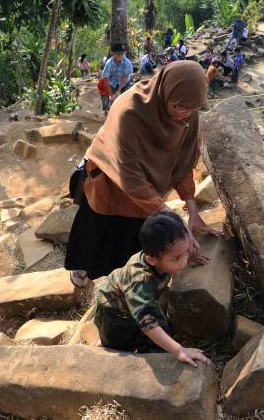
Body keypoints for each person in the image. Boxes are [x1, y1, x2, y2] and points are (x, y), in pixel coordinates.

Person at [66, 61, 222, 288]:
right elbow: (127, 172)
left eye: (192, 108)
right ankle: (84, 268)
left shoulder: (188, 113)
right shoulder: (129, 110)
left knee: (133, 238)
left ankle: (126, 284)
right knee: (99, 231)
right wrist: (173, 219)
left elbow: (184, 160)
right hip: (111, 181)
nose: (185, 114)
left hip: (147, 187)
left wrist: (193, 210)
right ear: (165, 92)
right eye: (179, 107)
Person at [94, 210, 211, 366]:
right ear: (152, 260)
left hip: (136, 301)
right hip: (115, 313)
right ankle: (105, 344)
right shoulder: (140, 280)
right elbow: (146, 322)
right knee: (122, 344)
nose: (183, 262)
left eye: (186, 252)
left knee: (159, 324)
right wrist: (178, 350)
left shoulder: (162, 256)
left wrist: (191, 255)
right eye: (177, 258)